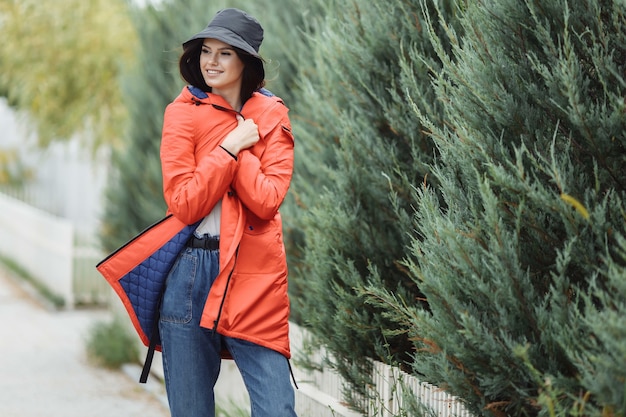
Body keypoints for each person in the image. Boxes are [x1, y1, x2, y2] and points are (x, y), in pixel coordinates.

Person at [157, 8, 297, 417]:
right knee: (190, 409)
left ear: (246, 63)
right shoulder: (181, 113)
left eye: (225, 54)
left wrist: (242, 143)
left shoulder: (272, 116)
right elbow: (185, 203)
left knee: (277, 409)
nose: (211, 62)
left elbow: (268, 200)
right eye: (206, 51)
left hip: (254, 272)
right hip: (190, 270)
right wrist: (229, 146)